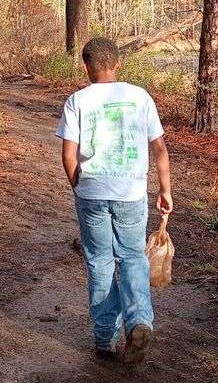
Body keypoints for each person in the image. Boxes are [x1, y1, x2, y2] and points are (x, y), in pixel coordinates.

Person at [55, 37, 173, 365]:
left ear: (86, 66)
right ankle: (139, 321)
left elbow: (68, 155)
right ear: (118, 63)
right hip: (131, 193)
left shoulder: (77, 101)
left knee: (99, 261)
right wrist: (164, 190)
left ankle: (106, 337)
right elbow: (159, 148)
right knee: (133, 257)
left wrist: (79, 187)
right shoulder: (140, 97)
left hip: (92, 192)